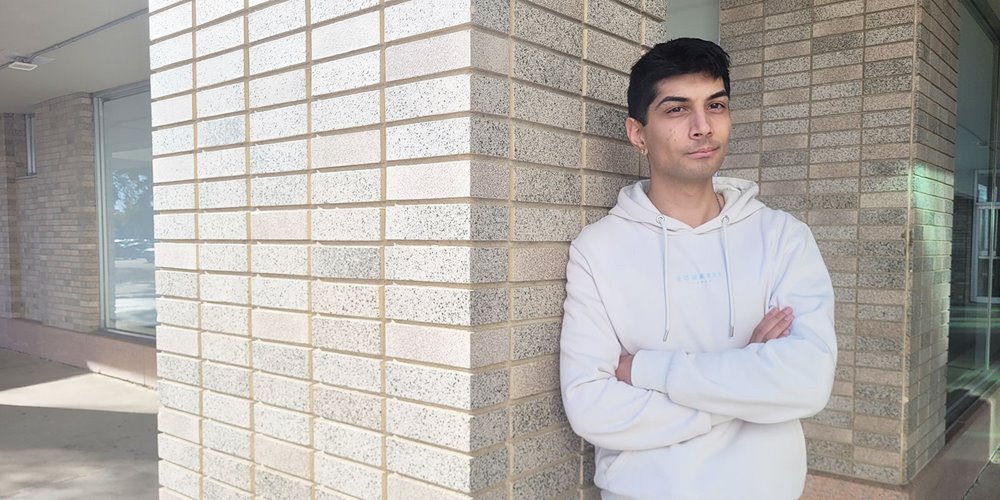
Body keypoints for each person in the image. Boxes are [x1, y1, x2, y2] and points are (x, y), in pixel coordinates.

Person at [559, 38, 837, 500]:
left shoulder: (782, 237)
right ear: (637, 133)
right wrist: (747, 383)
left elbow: (807, 382)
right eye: (677, 110)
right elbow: (591, 407)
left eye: (716, 105)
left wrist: (647, 370)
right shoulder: (598, 249)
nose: (703, 126)